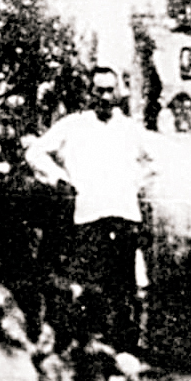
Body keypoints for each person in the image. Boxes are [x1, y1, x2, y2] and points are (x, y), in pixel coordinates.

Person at [24, 67, 166, 351]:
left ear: (118, 92)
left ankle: (124, 350)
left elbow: (157, 160)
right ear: (90, 93)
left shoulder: (129, 128)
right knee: (90, 287)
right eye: (99, 90)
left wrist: (134, 183)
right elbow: (35, 152)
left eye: (110, 90)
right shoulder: (73, 125)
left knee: (124, 288)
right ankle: (89, 349)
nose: (105, 96)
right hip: (88, 216)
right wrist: (60, 179)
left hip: (124, 216)